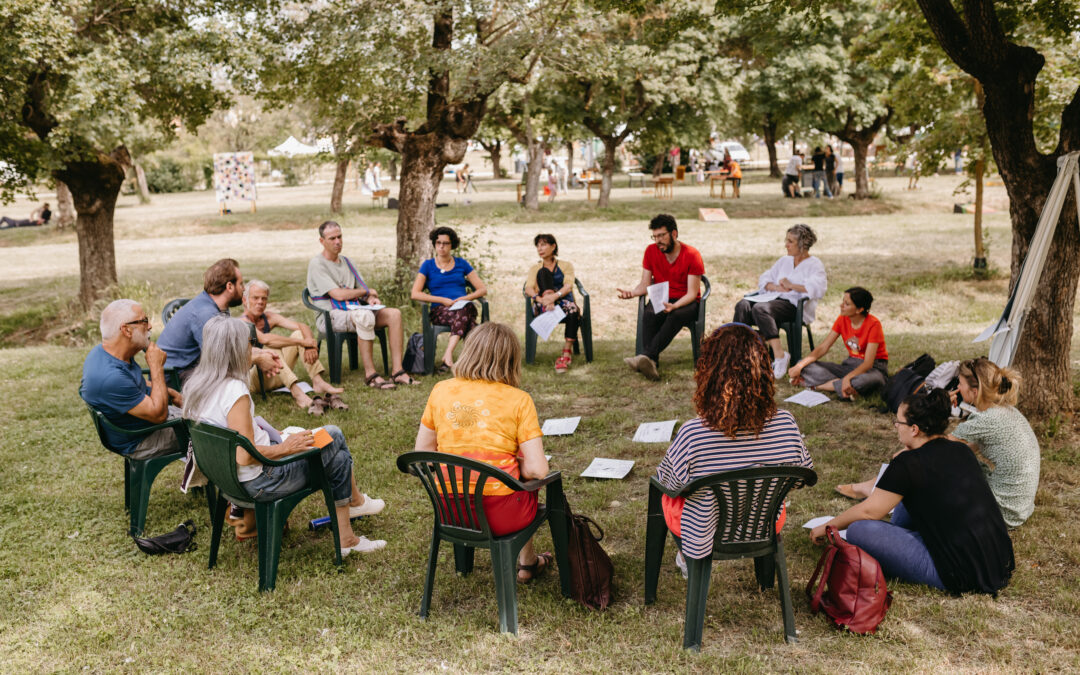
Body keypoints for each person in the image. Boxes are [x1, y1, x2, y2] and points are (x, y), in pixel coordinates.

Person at [182, 316, 387, 556]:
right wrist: (286, 447)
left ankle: (349, 531)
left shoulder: (198, 384)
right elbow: (245, 457)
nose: (253, 347)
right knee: (333, 436)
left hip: (227, 480)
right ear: (237, 348)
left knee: (337, 456)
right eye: (251, 342)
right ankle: (355, 506)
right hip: (261, 481)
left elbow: (235, 439)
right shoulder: (234, 391)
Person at [811, 390, 1014, 595]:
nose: (896, 427)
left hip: (956, 571)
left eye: (898, 422)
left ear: (914, 429)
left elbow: (869, 512)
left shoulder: (908, 464)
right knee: (906, 497)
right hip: (997, 559)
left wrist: (826, 527)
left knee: (858, 530)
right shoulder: (960, 450)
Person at [655, 324, 813, 574]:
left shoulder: (694, 433)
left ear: (709, 372)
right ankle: (764, 574)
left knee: (665, 495)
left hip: (705, 531)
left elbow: (670, 484)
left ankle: (688, 558)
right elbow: (800, 478)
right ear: (764, 371)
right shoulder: (786, 424)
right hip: (764, 522)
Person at [412, 322, 553, 582]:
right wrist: (513, 464)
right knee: (527, 483)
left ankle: (526, 563)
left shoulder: (440, 391)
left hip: (450, 511)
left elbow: (423, 454)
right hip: (501, 516)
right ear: (511, 360)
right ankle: (528, 562)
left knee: (513, 479)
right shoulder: (519, 400)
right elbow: (538, 470)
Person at [839, 358, 1041, 528]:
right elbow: (962, 450)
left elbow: (935, 448)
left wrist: (905, 459)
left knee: (929, 462)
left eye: (959, 384)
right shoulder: (1004, 411)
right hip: (1019, 507)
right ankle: (874, 486)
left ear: (974, 390)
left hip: (1003, 511)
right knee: (947, 461)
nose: (958, 389)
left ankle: (877, 489)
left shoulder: (985, 420)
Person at [307, 221, 417, 390]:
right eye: (332, 238)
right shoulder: (317, 264)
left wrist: (372, 298)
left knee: (394, 314)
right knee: (364, 316)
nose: (337, 241)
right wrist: (364, 292)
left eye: (340, 237)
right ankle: (371, 375)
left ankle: (397, 372)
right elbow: (337, 294)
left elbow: (364, 289)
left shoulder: (348, 262)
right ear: (322, 241)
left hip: (354, 311)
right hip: (331, 316)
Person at [80, 299, 184, 459]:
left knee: (211, 416)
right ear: (126, 330)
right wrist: (156, 367)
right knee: (214, 432)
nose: (149, 326)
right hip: (143, 439)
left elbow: (135, 383)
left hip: (147, 424)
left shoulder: (106, 352)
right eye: (144, 321)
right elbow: (159, 415)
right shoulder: (110, 378)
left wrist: (172, 393)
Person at [157, 258, 282, 384]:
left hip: (191, 368)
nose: (244, 289)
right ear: (229, 286)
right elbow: (223, 361)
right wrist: (258, 358)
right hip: (174, 378)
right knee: (231, 378)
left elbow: (230, 348)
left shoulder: (219, 308)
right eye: (241, 284)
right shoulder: (206, 314)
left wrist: (260, 352)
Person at [732, 224, 827, 379]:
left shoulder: (814, 265)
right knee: (742, 305)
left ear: (802, 245)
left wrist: (792, 285)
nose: (786, 244)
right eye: (786, 240)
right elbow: (766, 278)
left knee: (760, 309)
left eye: (790, 241)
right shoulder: (784, 260)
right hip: (772, 299)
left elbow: (818, 288)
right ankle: (740, 356)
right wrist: (775, 286)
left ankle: (780, 355)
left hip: (793, 305)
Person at [240, 279, 347, 415]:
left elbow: (302, 326)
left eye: (264, 298)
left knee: (298, 334)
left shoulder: (269, 317)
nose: (260, 302)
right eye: (255, 298)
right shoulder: (242, 322)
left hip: (277, 373)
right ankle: (298, 394)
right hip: (256, 382)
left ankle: (318, 381)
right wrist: (303, 343)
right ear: (245, 300)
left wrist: (309, 345)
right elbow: (266, 339)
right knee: (270, 349)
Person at [617, 214, 704, 381]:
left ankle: (646, 356)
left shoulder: (692, 254)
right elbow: (645, 284)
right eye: (655, 236)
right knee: (649, 313)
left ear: (674, 234)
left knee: (675, 315)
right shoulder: (651, 251)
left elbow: (693, 293)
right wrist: (632, 293)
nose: (658, 241)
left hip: (686, 302)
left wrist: (676, 306)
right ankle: (652, 363)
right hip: (662, 297)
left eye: (662, 235)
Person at [410, 226, 488, 372]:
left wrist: (465, 297)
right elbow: (415, 293)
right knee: (471, 324)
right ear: (434, 244)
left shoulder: (461, 264)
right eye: (438, 242)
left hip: (463, 306)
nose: (441, 246)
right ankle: (473, 365)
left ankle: (448, 354)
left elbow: (482, 289)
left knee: (465, 308)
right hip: (440, 311)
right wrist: (442, 300)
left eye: (446, 243)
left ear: (452, 245)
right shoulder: (427, 265)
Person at [787, 286, 887, 399]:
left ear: (859, 309)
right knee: (806, 365)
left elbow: (868, 363)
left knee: (868, 381)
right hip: (850, 365)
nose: (841, 306)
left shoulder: (874, 324)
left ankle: (818, 386)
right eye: (843, 302)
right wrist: (799, 366)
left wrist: (847, 378)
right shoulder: (842, 319)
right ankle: (846, 388)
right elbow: (824, 347)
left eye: (847, 304)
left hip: (873, 368)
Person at [524, 233, 579, 373]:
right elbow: (528, 288)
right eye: (537, 246)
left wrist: (553, 297)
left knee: (573, 309)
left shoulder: (566, 265)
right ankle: (548, 301)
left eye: (543, 245)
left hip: (562, 301)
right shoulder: (535, 268)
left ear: (553, 246)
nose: (539, 248)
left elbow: (568, 286)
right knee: (543, 272)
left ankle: (566, 352)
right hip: (542, 304)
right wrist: (542, 299)